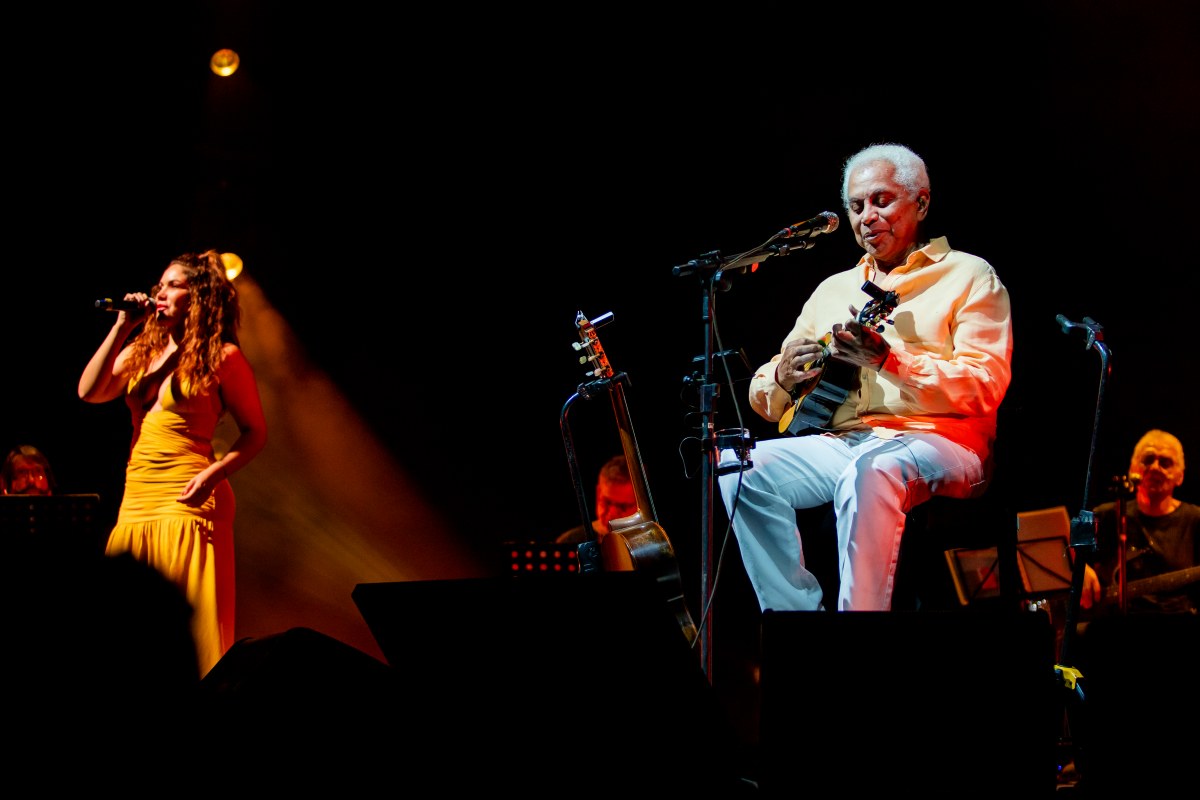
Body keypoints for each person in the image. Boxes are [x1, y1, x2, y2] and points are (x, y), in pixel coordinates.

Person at [718, 142, 1013, 612]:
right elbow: (764, 398)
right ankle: (797, 622)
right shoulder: (833, 290)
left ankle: (859, 637)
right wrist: (785, 377)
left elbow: (984, 386)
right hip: (849, 440)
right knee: (737, 465)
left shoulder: (969, 275)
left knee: (870, 471)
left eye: (881, 201)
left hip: (946, 441)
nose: (867, 216)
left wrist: (891, 363)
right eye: (856, 207)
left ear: (920, 203)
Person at [78, 249, 267, 677]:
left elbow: (256, 432)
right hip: (137, 501)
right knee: (128, 632)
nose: (159, 294)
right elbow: (89, 391)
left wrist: (212, 474)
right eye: (158, 286)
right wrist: (124, 324)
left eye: (171, 285)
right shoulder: (145, 351)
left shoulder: (223, 357)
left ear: (197, 296)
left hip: (189, 499)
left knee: (193, 637)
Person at [1080, 429, 1199, 615]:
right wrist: (1080, 569)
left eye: (1165, 462)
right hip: (1111, 623)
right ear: (1133, 469)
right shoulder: (1105, 513)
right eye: (1148, 460)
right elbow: (1064, 542)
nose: (1155, 467)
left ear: (1180, 476)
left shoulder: (1195, 518)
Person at [556, 454, 637, 545]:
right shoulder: (570, 541)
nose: (612, 513)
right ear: (599, 493)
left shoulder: (653, 542)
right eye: (606, 502)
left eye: (623, 506)